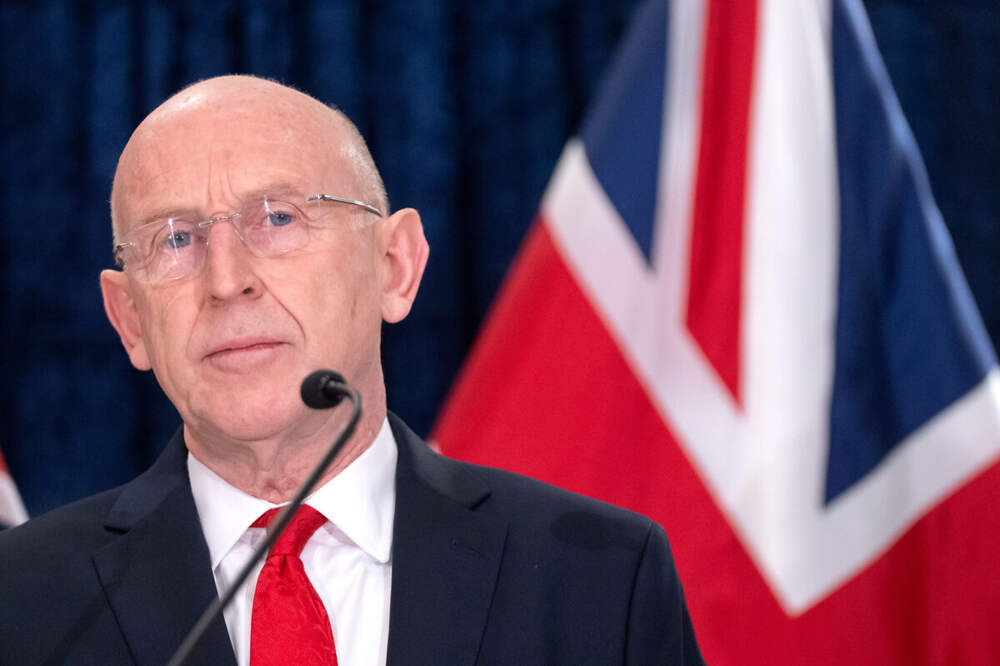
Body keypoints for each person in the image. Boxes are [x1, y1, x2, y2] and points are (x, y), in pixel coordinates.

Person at [0, 75, 703, 666]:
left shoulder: (602, 579)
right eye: (176, 239)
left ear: (394, 266)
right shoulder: (20, 601)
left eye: (278, 218)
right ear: (129, 319)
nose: (226, 280)